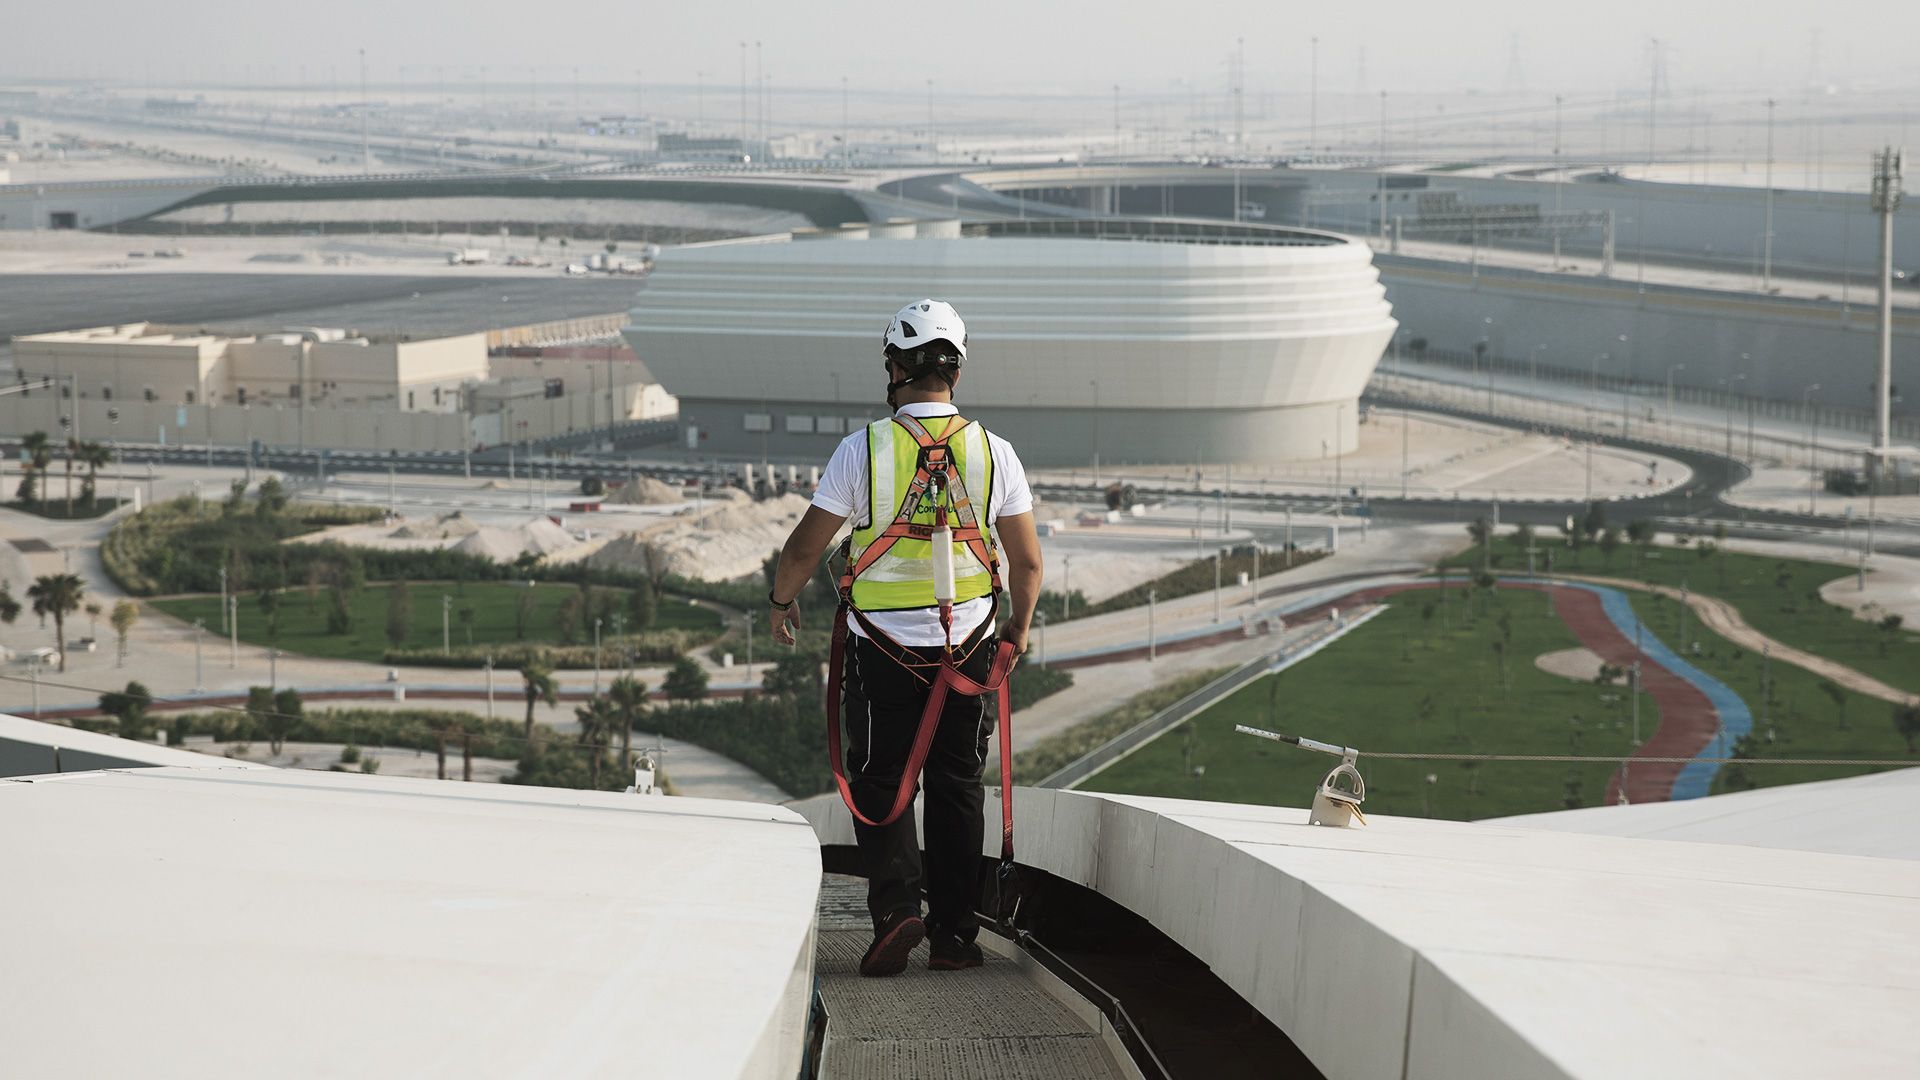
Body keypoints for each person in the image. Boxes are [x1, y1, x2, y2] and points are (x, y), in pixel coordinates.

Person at [768, 299, 1043, 977]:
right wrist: (1015, 630)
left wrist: (780, 601)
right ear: (956, 371)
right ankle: (955, 936)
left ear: (896, 367)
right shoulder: (994, 452)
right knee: (957, 786)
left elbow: (806, 548)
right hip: (970, 646)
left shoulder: (862, 449)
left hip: (884, 650)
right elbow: (1028, 563)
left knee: (883, 779)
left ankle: (896, 913)